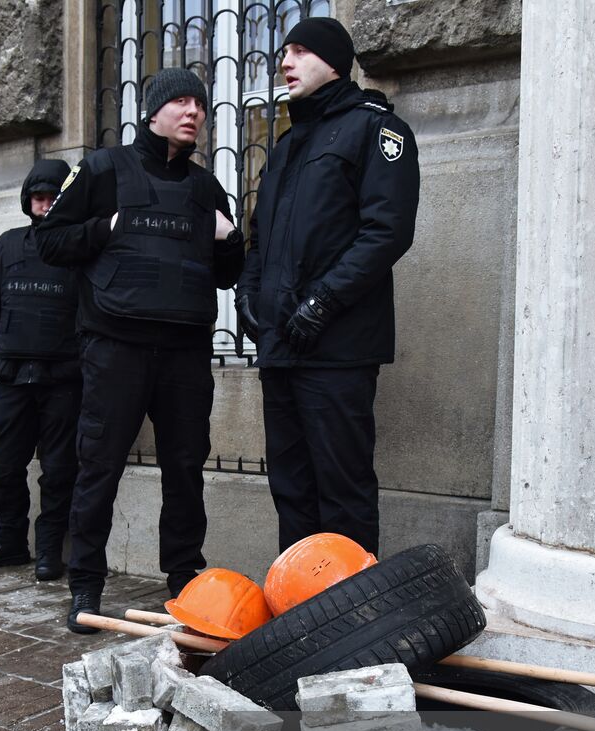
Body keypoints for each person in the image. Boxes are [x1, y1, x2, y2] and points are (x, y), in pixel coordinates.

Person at [38, 67, 245, 633]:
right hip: (116, 347)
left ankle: (185, 581)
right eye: (181, 102)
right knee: (99, 467)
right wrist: (105, 228)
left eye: (200, 105)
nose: (193, 112)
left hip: (184, 351)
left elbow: (227, 275)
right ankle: (86, 585)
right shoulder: (103, 170)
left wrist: (231, 239)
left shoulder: (205, 187)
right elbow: (49, 240)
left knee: (186, 469)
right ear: (153, 111)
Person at [236, 17, 420, 555]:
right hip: (281, 348)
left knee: (342, 489)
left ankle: (351, 600)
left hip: (336, 347)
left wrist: (322, 301)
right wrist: (248, 294)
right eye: (284, 52)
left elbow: (386, 232)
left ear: (334, 62)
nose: (285, 63)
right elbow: (259, 238)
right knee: (291, 490)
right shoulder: (287, 146)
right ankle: (302, 598)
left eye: (299, 51)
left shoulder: (376, 130)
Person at [0, 159, 79, 581]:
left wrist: (77, 364)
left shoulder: (80, 248)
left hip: (62, 381)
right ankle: (9, 541)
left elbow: (95, 313)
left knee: (59, 471)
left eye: (53, 198)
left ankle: (50, 550)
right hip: (12, 378)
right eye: (38, 197)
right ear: (27, 200)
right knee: (2, 465)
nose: (45, 205)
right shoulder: (8, 245)